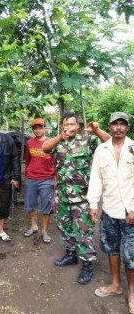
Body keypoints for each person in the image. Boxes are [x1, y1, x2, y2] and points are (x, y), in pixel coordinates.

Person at [42, 111, 110, 285]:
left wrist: (97, 130)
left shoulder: (88, 140)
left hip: (81, 197)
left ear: (78, 125)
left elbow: (109, 142)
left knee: (83, 231)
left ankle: (87, 264)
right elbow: (45, 148)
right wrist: (60, 137)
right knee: (64, 227)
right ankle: (71, 254)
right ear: (62, 126)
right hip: (62, 195)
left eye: (72, 124)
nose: (69, 128)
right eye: (66, 125)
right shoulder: (58, 142)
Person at [87, 112, 134, 314]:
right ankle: (116, 285)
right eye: (115, 124)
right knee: (111, 248)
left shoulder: (133, 149)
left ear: (128, 128)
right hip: (109, 209)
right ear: (110, 126)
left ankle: (132, 292)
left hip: (130, 211)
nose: (119, 128)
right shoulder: (101, 150)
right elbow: (96, 178)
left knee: (131, 254)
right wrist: (93, 204)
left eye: (123, 124)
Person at [24, 118, 55, 243]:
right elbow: (27, 159)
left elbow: (56, 161)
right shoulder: (29, 143)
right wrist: (27, 173)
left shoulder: (52, 142)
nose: (38, 130)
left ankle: (45, 231)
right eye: (35, 128)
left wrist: (55, 178)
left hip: (47, 179)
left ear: (45, 128)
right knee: (31, 205)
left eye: (40, 127)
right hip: (32, 178)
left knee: (46, 206)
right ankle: (33, 226)